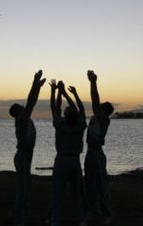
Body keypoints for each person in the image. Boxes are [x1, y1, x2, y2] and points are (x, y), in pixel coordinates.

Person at [9, 70, 46, 226]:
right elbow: (31, 102)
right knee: (23, 189)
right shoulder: (22, 120)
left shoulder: (23, 119)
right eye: (20, 106)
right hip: (23, 156)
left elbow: (31, 102)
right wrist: (35, 83)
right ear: (18, 112)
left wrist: (37, 87)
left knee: (24, 187)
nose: (24, 106)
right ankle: (19, 218)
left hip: (24, 156)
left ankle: (18, 214)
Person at [49, 80, 88, 226]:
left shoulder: (60, 125)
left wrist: (56, 91)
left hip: (61, 160)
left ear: (65, 115)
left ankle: (55, 220)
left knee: (57, 192)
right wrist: (70, 94)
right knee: (77, 192)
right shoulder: (80, 125)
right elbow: (80, 110)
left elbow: (55, 107)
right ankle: (80, 219)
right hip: (74, 161)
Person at [84, 70, 114, 225]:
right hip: (90, 154)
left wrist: (93, 82)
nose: (97, 108)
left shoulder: (103, 119)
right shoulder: (97, 117)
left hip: (96, 154)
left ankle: (107, 214)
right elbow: (95, 103)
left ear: (105, 111)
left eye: (100, 107)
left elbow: (95, 100)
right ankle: (93, 212)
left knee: (101, 185)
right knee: (89, 185)